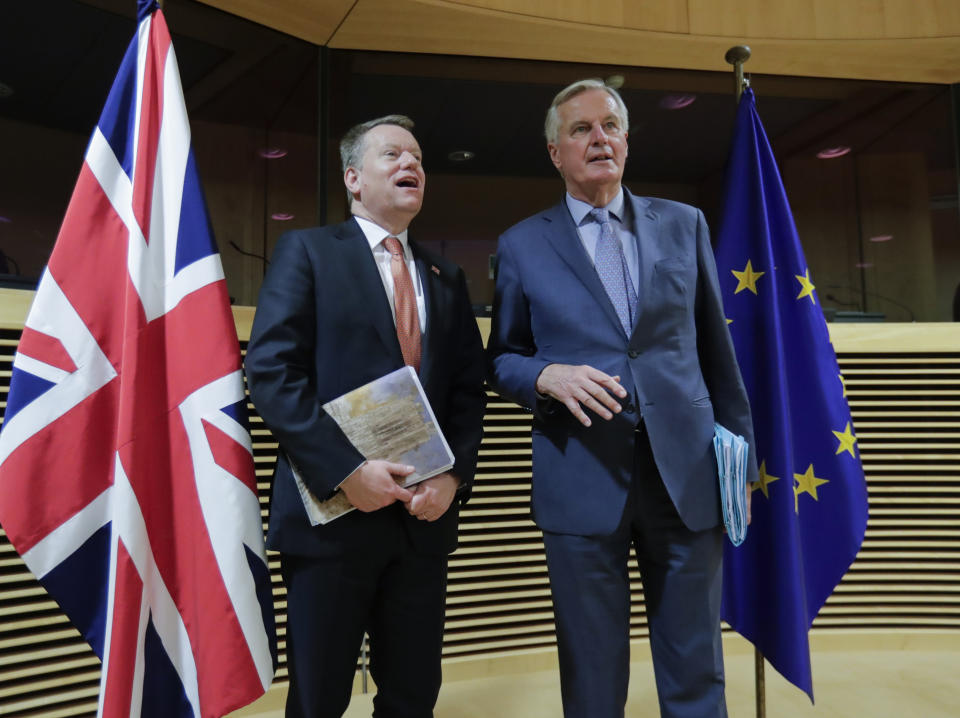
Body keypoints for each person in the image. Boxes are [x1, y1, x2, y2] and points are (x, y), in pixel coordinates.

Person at [486, 79, 758, 718]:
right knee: (591, 670)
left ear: (627, 141)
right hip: (580, 474)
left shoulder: (684, 224)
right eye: (581, 129)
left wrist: (742, 455)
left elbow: (716, 353)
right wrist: (545, 377)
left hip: (686, 474)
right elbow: (501, 358)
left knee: (696, 665)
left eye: (610, 126)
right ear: (555, 152)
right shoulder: (522, 243)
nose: (599, 138)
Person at [245, 114, 485, 718]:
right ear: (354, 178)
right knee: (318, 697)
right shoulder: (307, 252)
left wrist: (452, 478)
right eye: (394, 155)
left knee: (412, 695)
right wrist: (347, 470)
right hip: (331, 519)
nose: (412, 165)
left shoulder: (447, 278)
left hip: (421, 521)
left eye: (419, 158)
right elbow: (272, 373)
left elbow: (466, 393)